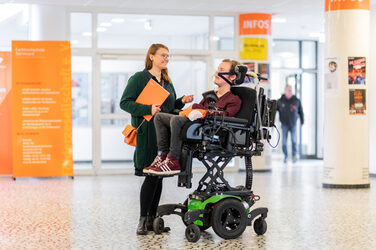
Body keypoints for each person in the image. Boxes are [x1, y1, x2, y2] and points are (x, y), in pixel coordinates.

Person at [119, 44, 193, 235]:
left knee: (159, 178)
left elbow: (169, 107)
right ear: (151, 56)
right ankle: (143, 220)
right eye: (163, 55)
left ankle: (152, 220)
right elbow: (124, 103)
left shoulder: (167, 81)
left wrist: (181, 101)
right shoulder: (139, 78)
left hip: (164, 136)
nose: (166, 58)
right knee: (150, 177)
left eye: (168, 56)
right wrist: (147, 109)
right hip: (147, 135)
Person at [143, 59, 242, 175]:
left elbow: (226, 117)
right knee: (159, 117)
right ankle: (162, 156)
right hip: (195, 124)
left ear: (232, 77)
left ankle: (173, 160)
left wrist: (204, 112)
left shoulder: (234, 100)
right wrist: (190, 109)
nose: (216, 73)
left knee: (176, 120)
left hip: (209, 131)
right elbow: (198, 107)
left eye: (221, 70)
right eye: (217, 69)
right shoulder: (210, 96)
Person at [277, 85, 304, 163]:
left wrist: (302, 121)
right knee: (284, 142)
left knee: (294, 141)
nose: (290, 91)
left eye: (291, 90)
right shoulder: (280, 101)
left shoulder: (296, 100)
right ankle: (285, 156)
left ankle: (294, 155)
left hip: (293, 124)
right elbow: (275, 110)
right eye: (289, 90)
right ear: (285, 91)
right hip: (284, 124)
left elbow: (301, 111)